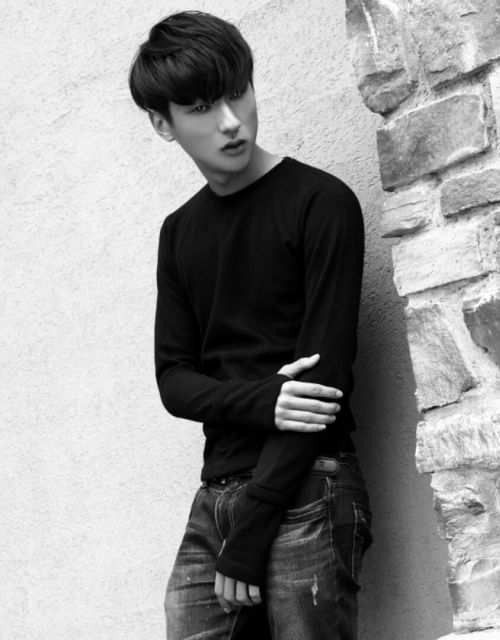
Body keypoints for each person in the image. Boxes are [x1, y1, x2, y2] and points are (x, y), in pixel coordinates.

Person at [128, 10, 372, 640]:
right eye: (202, 108)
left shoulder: (321, 202)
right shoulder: (179, 232)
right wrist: (265, 398)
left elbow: (323, 381)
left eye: (238, 93)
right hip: (215, 497)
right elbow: (174, 382)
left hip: (308, 484)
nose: (231, 121)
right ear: (163, 124)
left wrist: (257, 519)